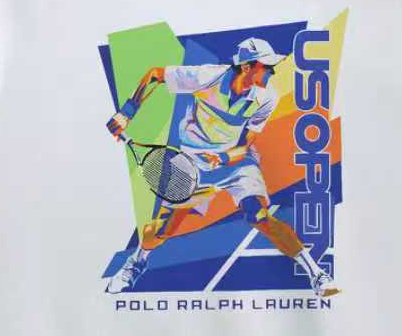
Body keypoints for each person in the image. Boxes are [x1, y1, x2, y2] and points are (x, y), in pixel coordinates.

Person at [106, 36, 337, 297]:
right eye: (266, 67)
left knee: (259, 216)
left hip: (235, 163)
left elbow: (245, 145)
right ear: (247, 66)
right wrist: (126, 112)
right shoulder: (207, 77)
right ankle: (136, 262)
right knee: (161, 230)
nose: (272, 73)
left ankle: (316, 274)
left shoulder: (267, 98)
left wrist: (223, 158)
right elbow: (155, 75)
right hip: (191, 162)